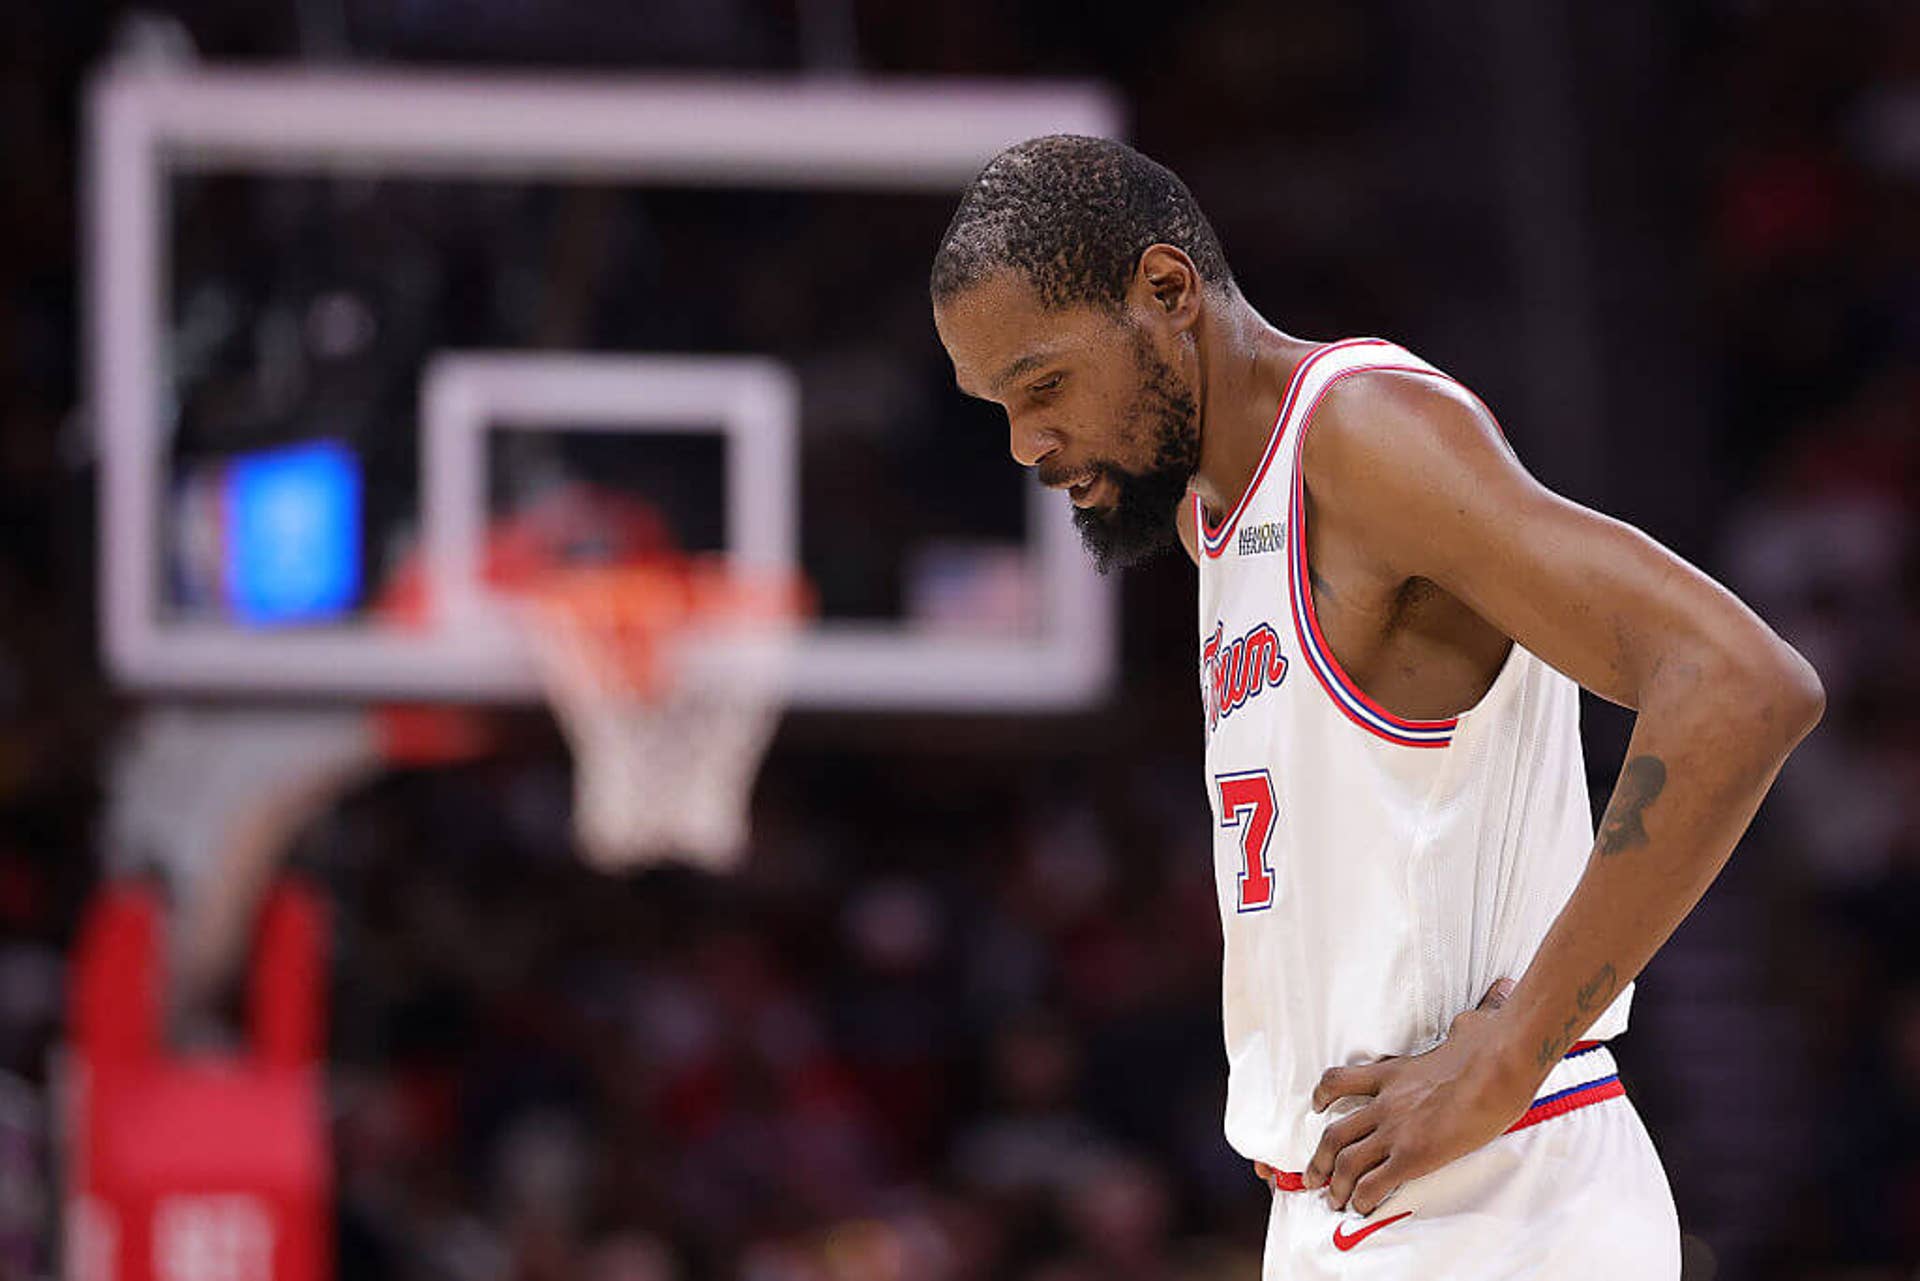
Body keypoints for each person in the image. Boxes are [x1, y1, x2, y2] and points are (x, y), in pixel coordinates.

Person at [928, 135, 1823, 1279]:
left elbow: (1740, 682)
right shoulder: (1220, 517)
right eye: (998, 406)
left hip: (1497, 1202)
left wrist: (1511, 1051)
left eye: (1043, 385)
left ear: (1166, 292)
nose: (1026, 445)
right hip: (1347, 1210)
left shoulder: (1363, 439)